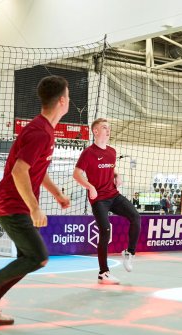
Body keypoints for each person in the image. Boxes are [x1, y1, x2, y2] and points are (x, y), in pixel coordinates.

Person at [0, 76, 71, 325]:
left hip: (14, 204)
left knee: (28, 257)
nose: (69, 100)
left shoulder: (44, 129)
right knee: (37, 256)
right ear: (62, 101)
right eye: (68, 96)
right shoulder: (40, 132)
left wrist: (56, 193)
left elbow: (36, 168)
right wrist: (35, 208)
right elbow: (19, 171)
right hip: (12, 205)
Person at [73, 118, 140, 285]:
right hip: (99, 199)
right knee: (105, 230)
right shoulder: (88, 153)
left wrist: (117, 175)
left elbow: (109, 168)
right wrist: (90, 187)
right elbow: (77, 174)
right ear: (95, 131)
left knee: (135, 217)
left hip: (114, 195)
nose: (108, 130)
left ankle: (129, 252)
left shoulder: (112, 151)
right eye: (104, 128)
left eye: (109, 128)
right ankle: (103, 273)